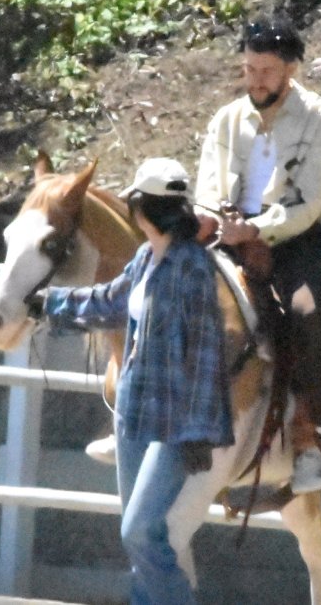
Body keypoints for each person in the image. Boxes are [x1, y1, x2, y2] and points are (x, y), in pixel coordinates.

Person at [33, 157, 232, 605]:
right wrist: (49, 304)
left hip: (175, 423)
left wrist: (197, 430)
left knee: (139, 530)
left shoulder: (192, 266)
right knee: (140, 539)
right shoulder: (146, 257)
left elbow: (204, 354)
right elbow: (111, 301)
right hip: (133, 412)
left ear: (143, 208)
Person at [195, 15, 321, 495]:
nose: (256, 78)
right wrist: (215, 218)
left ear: (290, 70)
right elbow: (207, 181)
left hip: (296, 237)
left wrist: (257, 228)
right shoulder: (226, 118)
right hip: (229, 233)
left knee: (306, 308)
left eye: (266, 69)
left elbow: (310, 201)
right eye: (249, 68)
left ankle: (311, 438)